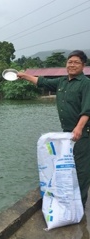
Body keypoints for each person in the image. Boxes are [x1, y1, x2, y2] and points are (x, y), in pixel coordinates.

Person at [17, 50, 90, 208]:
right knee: (69, 167)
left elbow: (87, 109)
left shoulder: (86, 84)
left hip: (83, 133)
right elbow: (41, 82)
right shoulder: (62, 82)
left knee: (82, 170)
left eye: (76, 62)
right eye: (69, 62)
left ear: (83, 65)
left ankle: (79, 207)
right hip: (67, 133)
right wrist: (24, 75)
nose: (72, 65)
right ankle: (70, 201)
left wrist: (79, 128)